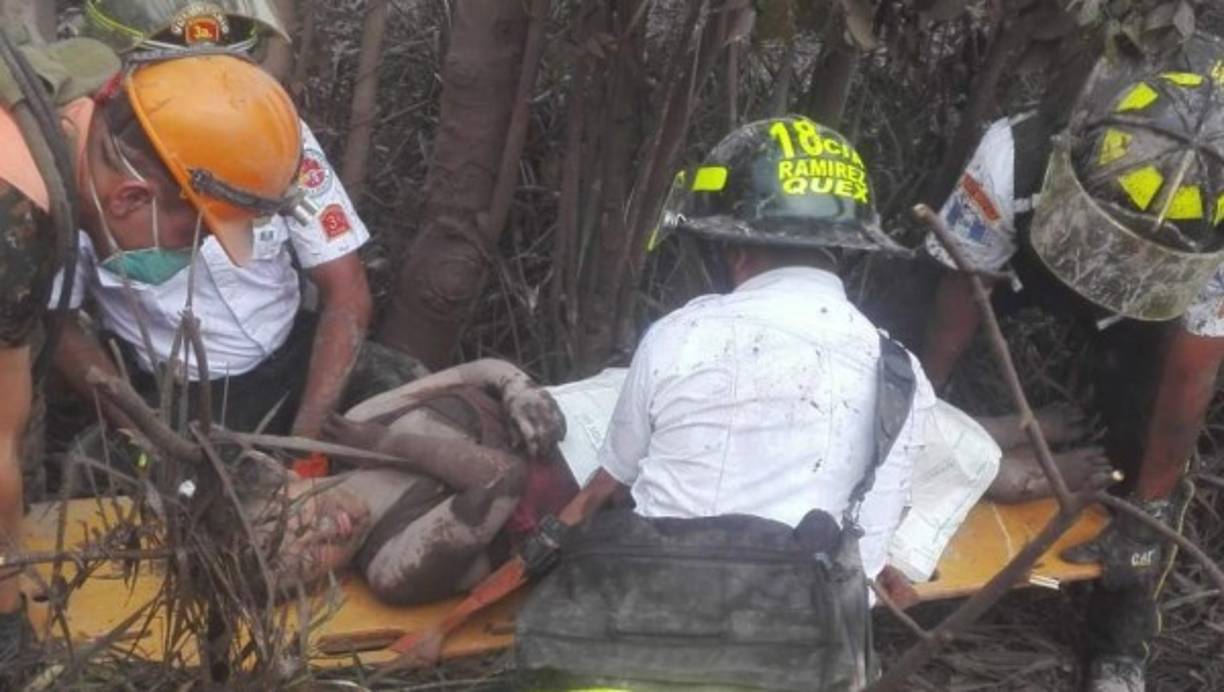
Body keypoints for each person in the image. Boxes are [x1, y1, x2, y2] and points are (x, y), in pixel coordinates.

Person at [919, 32, 1224, 691]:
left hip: (1153, 306)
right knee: (909, 353)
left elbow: (1188, 377)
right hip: (1032, 250)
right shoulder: (1019, 153)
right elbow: (958, 287)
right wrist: (923, 410)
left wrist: (1151, 505)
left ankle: (1121, 644)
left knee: (1143, 433)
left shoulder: (1215, 221)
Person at [0, 35, 306, 679]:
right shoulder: (13, 215)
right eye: (190, 235)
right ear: (132, 198)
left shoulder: (58, 97)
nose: (190, 256)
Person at [49, 0, 421, 477]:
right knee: (108, 483)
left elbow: (345, 289)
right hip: (172, 395)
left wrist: (304, 444)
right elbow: (59, 324)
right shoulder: (81, 180)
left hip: (293, 358)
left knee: (414, 408)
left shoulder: (267, 138)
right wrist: (140, 429)